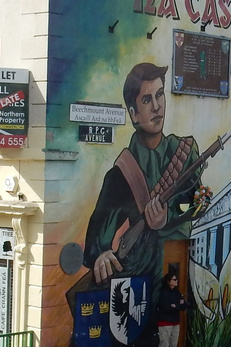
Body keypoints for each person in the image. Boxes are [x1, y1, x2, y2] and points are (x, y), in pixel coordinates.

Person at [84, 63, 201, 285]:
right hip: (140, 275)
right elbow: (98, 232)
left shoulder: (184, 151)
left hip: (181, 270)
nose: (157, 107)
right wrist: (100, 254)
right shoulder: (123, 172)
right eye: (147, 100)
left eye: (159, 95)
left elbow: (199, 203)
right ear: (133, 114)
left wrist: (170, 215)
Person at [155, 271, 187, 347]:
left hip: (175, 322)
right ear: (169, 282)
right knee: (164, 346)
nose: (176, 281)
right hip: (165, 323)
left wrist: (176, 306)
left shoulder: (176, 292)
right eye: (174, 279)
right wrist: (177, 305)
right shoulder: (164, 293)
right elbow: (166, 307)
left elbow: (184, 305)